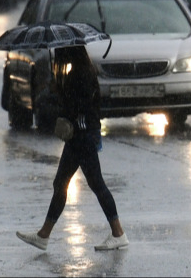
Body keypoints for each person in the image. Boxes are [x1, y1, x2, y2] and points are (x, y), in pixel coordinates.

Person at [16, 46, 129, 251]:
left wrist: (59, 91)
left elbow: (76, 107)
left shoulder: (80, 75)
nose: (59, 57)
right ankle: (44, 234)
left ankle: (118, 233)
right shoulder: (83, 72)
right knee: (69, 183)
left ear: (70, 54)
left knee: (89, 183)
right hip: (82, 136)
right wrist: (60, 88)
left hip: (82, 137)